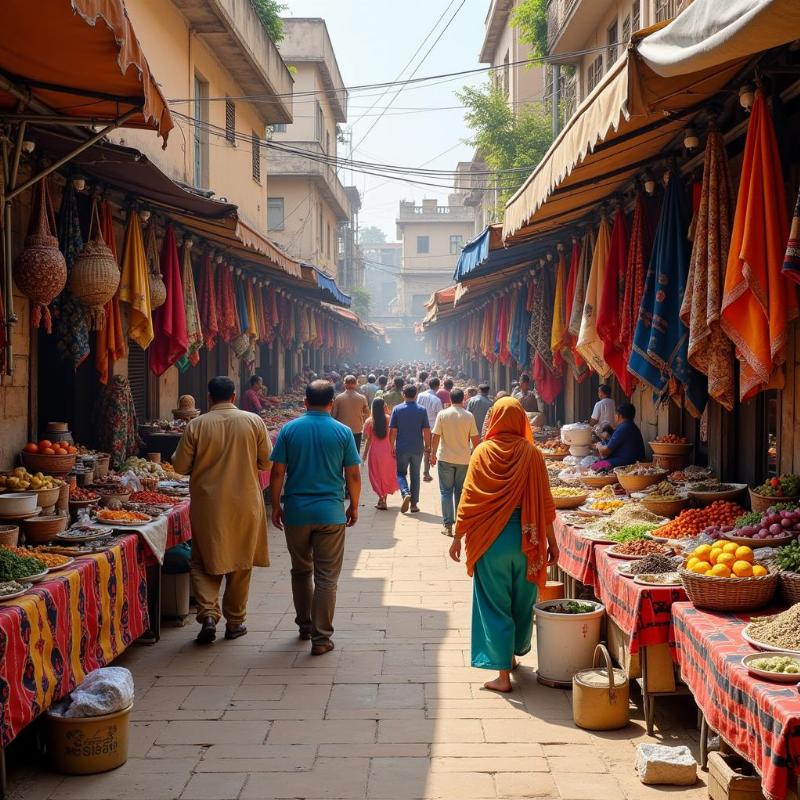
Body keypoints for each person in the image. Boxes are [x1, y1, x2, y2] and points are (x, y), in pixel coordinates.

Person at [448, 397, 558, 693]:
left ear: (494, 419)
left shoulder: (482, 452)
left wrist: (458, 537)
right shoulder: (532, 454)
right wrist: (553, 543)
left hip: (490, 543)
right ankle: (511, 656)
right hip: (527, 542)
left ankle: (502, 675)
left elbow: (468, 500)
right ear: (521, 419)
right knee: (521, 602)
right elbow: (545, 502)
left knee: (494, 604)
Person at [173, 376, 272, 645]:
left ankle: (207, 613)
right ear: (235, 396)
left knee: (203, 559)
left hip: (209, 505)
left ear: (208, 397)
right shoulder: (253, 422)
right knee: (241, 562)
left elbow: (180, 466)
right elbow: (266, 462)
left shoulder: (197, 425)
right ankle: (235, 621)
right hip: (246, 503)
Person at [269, 380, 361, 656]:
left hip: (296, 512)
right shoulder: (343, 432)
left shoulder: (289, 429)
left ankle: (305, 625)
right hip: (330, 513)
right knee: (326, 578)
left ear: (305, 402)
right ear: (332, 403)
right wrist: (354, 505)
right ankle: (321, 638)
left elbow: (277, 473)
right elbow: (353, 475)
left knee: (300, 570)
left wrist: (276, 505)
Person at [431, 388, 479, 537]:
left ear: (450, 399)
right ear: (463, 399)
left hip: (445, 458)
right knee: (460, 492)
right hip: (463, 459)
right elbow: (475, 440)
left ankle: (448, 526)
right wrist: (474, 455)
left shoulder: (443, 414)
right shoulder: (469, 416)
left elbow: (436, 436)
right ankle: (460, 524)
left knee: (446, 492)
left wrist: (432, 454)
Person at [389, 385, 431, 514]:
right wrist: (427, 446)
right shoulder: (422, 410)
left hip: (402, 447)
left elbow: (393, 430)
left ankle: (405, 492)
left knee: (400, 473)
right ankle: (414, 504)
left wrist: (391, 446)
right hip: (417, 447)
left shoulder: (397, 409)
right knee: (415, 475)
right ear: (416, 394)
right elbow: (426, 430)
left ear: (403, 394)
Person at [362, 397, 399, 510]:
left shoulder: (369, 421)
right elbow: (394, 435)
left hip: (375, 452)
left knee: (375, 476)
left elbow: (367, 440)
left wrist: (364, 456)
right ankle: (384, 499)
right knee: (385, 475)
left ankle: (381, 498)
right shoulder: (389, 419)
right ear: (384, 406)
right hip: (388, 451)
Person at [594, 402, 646, 468]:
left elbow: (604, 452)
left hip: (627, 464)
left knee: (594, 467)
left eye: (615, 415)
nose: (614, 417)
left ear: (619, 416)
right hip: (632, 461)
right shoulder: (632, 426)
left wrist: (599, 445)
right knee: (597, 462)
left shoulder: (623, 428)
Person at [332, 374, 369, 452]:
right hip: (356, 430)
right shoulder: (362, 398)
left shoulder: (339, 398)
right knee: (354, 454)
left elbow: (334, 416)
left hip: (341, 430)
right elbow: (367, 414)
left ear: (345, 384)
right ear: (355, 384)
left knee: (341, 454)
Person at [417, 377, 444, 482]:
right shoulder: (436, 400)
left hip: (419, 427)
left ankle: (419, 471)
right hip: (431, 428)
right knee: (427, 450)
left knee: (420, 450)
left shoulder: (420, 395)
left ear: (429, 385)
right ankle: (426, 472)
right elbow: (440, 416)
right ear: (438, 386)